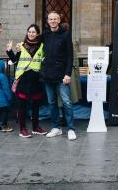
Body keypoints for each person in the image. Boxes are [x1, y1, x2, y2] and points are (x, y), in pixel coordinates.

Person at [41, 11, 77, 140]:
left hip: (62, 75)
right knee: (51, 102)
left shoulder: (66, 34)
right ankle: (56, 128)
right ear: (48, 21)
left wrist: (68, 74)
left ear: (59, 20)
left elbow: (70, 55)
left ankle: (71, 129)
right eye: (50, 19)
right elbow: (35, 45)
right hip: (47, 74)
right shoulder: (45, 34)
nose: (53, 21)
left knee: (67, 102)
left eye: (55, 19)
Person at [7, 24, 47, 138]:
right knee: (22, 106)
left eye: (33, 32)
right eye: (29, 32)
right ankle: (23, 129)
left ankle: (36, 127)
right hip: (23, 79)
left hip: (36, 79)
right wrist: (9, 50)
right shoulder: (21, 45)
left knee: (36, 105)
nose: (31, 34)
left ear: (37, 34)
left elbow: (44, 60)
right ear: (27, 32)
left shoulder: (42, 46)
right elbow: (14, 60)